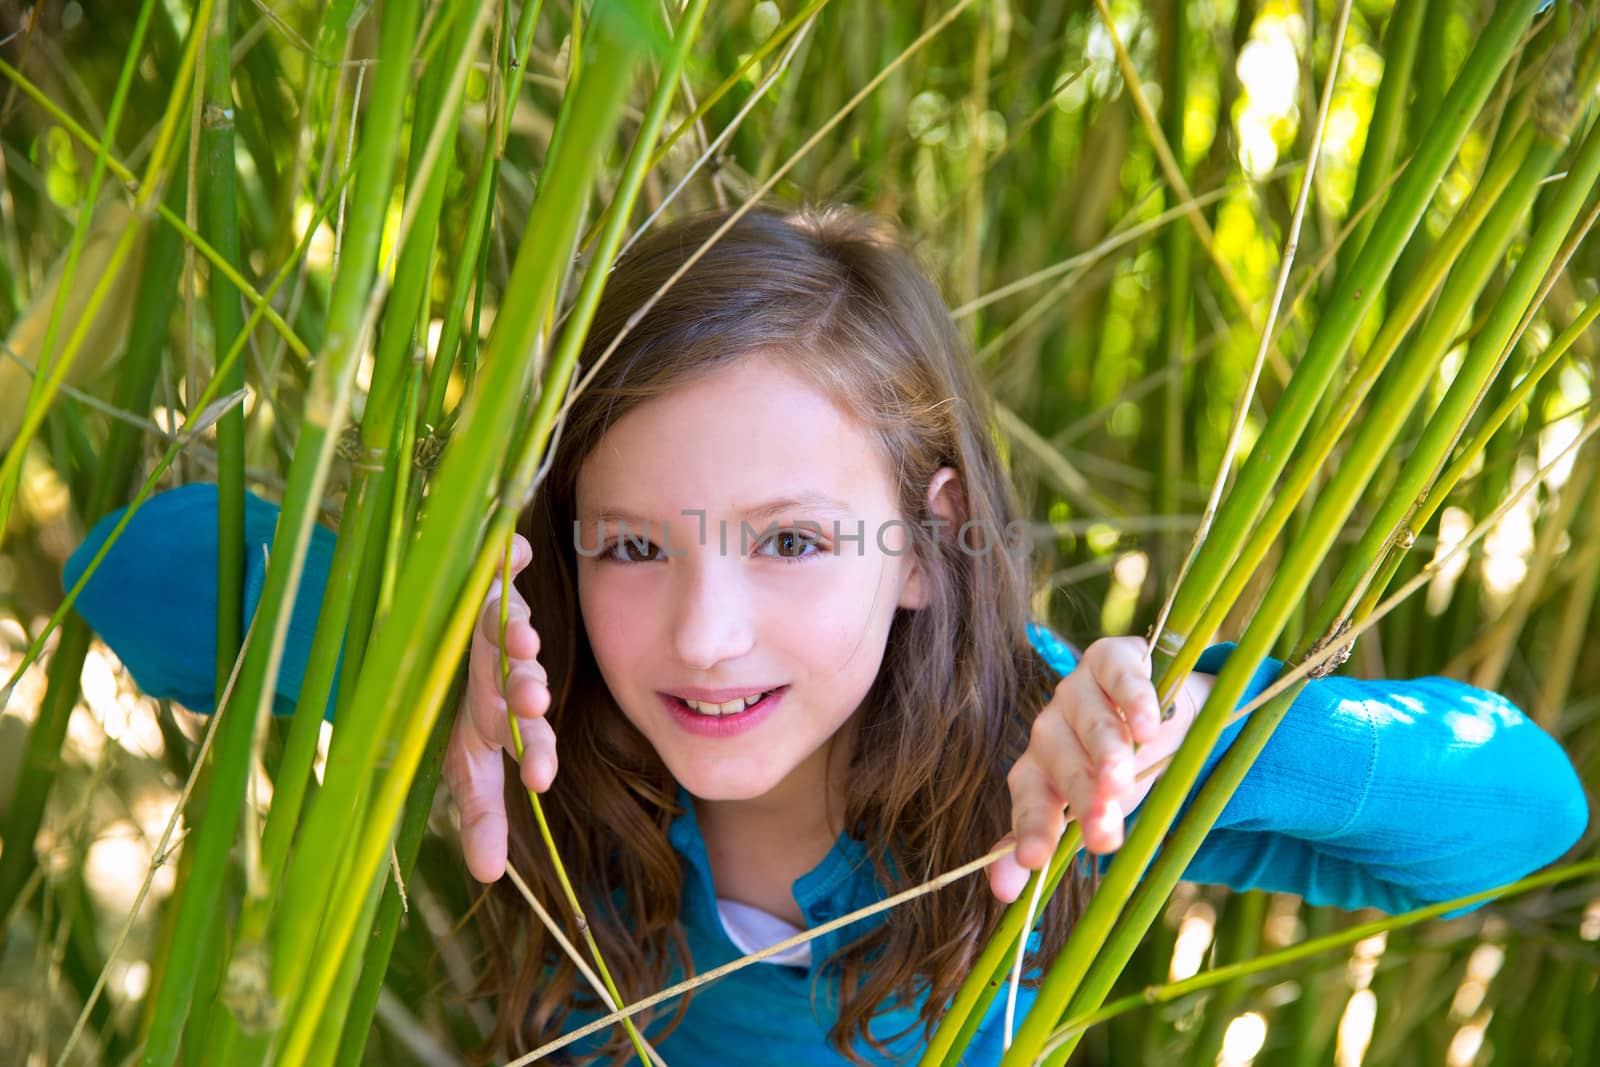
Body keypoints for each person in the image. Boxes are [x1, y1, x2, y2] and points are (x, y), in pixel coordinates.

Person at [67, 206, 1588, 1065]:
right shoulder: (529, 711)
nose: (705, 634)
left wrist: (1183, 743)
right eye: (632, 546)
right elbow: (128, 575)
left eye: (792, 541)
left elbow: (1524, 806)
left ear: (929, 544)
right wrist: (418, 646)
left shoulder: (1040, 771)